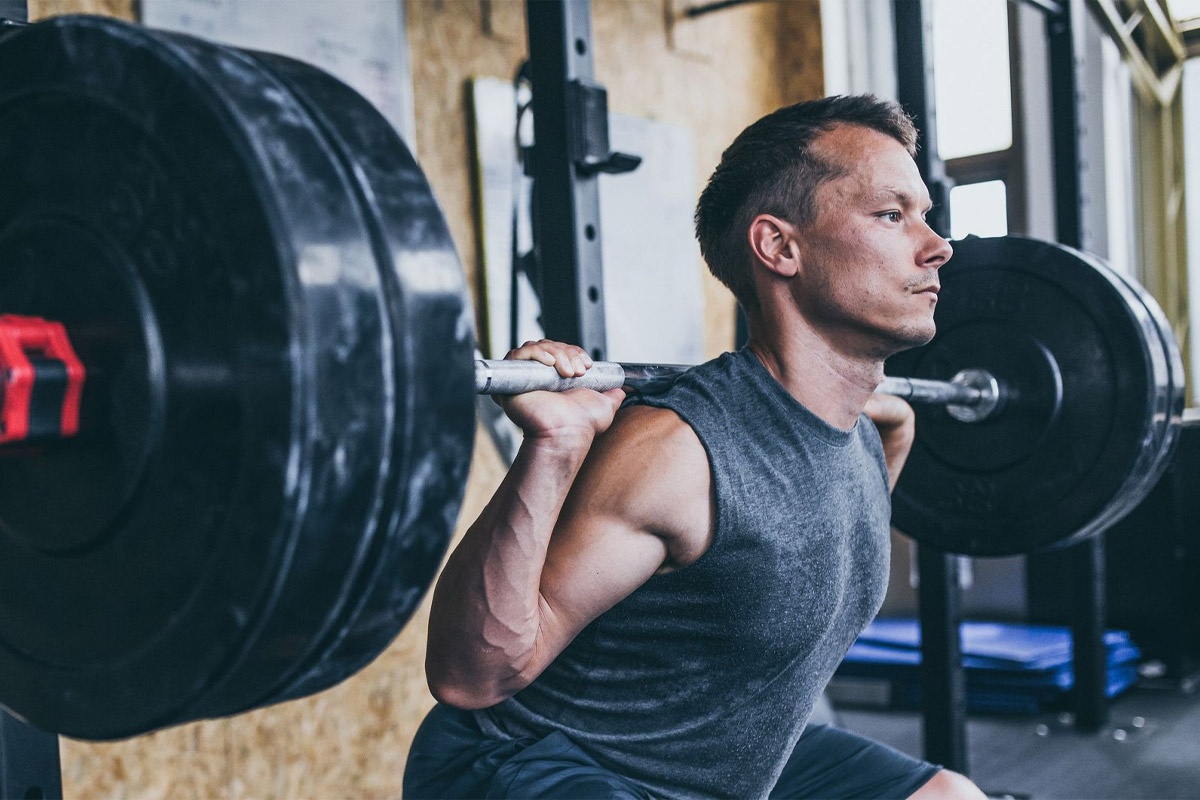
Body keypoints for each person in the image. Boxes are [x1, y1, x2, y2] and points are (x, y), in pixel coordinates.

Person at [405, 95, 987, 800]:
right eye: (892, 215)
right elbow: (474, 676)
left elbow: (811, 530)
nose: (937, 245)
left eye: (925, 216)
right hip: (546, 768)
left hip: (716, 761)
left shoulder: (863, 435)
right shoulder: (677, 453)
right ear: (780, 247)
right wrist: (554, 447)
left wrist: (886, 424)